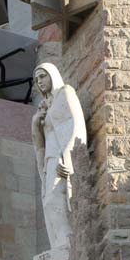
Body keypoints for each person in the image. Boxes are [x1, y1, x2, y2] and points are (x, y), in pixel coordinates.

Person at [32, 62, 87, 249]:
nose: (39, 81)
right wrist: (35, 123)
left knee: (57, 199)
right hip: (50, 159)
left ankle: (67, 242)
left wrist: (71, 160)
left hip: (62, 156)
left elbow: (76, 124)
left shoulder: (65, 93)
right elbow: (40, 145)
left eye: (43, 76)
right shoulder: (44, 108)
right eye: (37, 79)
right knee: (49, 202)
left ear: (52, 75)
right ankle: (58, 245)